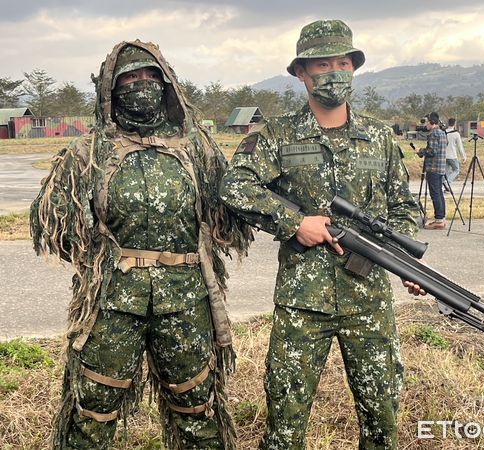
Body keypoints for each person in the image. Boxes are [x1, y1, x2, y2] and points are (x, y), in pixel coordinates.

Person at [30, 40, 252, 449]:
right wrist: (99, 259)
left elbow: (233, 210)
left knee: (197, 409)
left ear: (167, 84)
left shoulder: (197, 148)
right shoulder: (88, 153)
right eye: (131, 77)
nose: (142, 84)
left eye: (151, 76)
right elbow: (51, 225)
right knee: (93, 409)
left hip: (186, 302)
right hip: (113, 304)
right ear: (112, 90)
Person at [219, 19, 422, 449]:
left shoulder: (380, 138)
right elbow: (234, 186)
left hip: (368, 300)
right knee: (286, 423)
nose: (334, 72)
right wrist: (296, 222)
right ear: (300, 73)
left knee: (382, 417)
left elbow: (404, 208)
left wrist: (403, 258)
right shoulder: (276, 136)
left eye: (343, 62)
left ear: (354, 68)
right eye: (322, 64)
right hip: (301, 303)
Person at [415, 112, 448, 229]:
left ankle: (438, 220)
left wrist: (420, 151)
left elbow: (432, 151)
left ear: (432, 122)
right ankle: (442, 218)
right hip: (441, 167)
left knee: (435, 194)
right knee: (439, 193)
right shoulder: (442, 133)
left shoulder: (433, 133)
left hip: (433, 168)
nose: (425, 125)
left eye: (426, 122)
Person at [444, 118, 466, 185]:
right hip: (452, 155)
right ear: (454, 124)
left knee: (446, 172)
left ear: (448, 123)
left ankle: (446, 188)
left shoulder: (444, 132)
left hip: (444, 156)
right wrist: (463, 156)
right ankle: (447, 182)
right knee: (456, 170)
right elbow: (460, 146)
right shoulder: (456, 134)